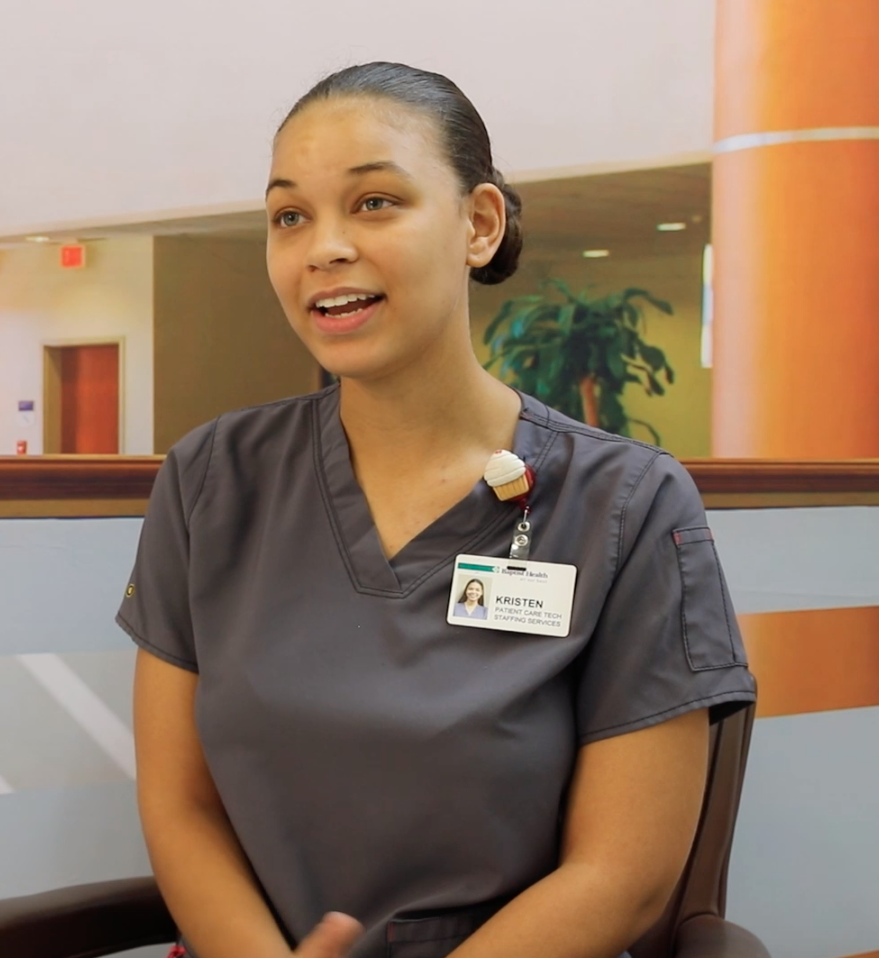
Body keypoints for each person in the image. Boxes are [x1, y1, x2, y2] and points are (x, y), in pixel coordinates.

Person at [118, 62, 756, 958]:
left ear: (479, 225)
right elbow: (179, 805)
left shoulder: (627, 504)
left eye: (375, 202)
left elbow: (625, 872)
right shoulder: (212, 480)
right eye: (289, 215)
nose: (323, 248)